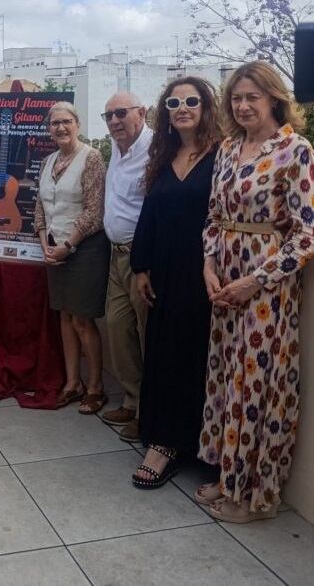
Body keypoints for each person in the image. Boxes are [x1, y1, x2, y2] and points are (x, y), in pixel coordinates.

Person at [197, 61, 314, 523]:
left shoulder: (295, 150)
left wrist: (255, 280)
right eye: (236, 98)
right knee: (226, 381)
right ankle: (228, 477)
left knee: (255, 388)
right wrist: (209, 264)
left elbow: (307, 235)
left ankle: (250, 495)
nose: (243, 106)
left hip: (265, 290)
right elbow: (213, 216)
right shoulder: (227, 148)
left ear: (273, 99)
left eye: (252, 97)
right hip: (224, 282)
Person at [129, 77, 222, 488]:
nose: (182, 107)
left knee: (203, 359)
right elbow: (149, 215)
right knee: (166, 354)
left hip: (207, 273)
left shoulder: (224, 155)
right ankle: (164, 442)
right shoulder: (163, 156)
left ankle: (203, 445)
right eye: (173, 102)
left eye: (191, 100)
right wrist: (141, 266)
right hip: (166, 273)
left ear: (206, 107)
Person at [34, 102, 109, 414]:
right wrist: (44, 243)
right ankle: (71, 383)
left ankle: (95, 387)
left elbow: (94, 210)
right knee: (64, 317)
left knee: (81, 320)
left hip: (85, 249)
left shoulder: (91, 158)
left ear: (77, 124)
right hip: (54, 248)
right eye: (55, 124)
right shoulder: (48, 160)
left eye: (66, 122)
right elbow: (40, 205)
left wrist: (69, 244)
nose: (60, 128)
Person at [100, 91, 153, 441]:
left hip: (142, 258)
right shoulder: (117, 151)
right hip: (115, 255)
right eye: (109, 116)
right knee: (119, 330)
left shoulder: (156, 151)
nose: (115, 121)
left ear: (141, 112)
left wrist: (145, 261)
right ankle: (132, 401)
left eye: (121, 113)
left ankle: (151, 413)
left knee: (148, 335)